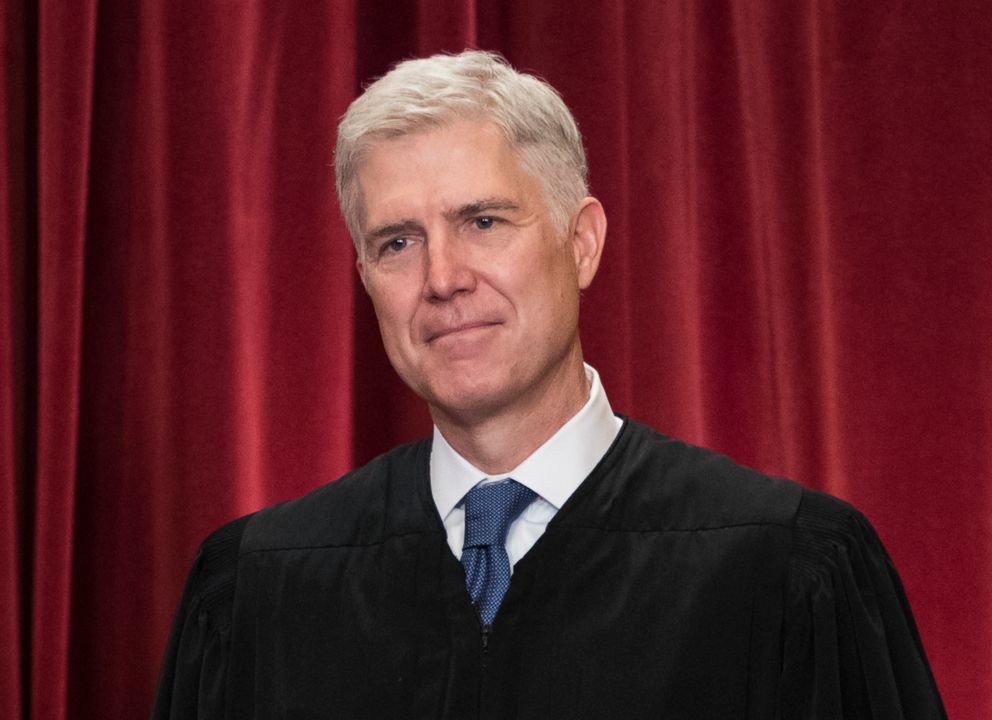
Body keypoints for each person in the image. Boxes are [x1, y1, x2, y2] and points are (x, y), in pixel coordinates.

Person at [152, 50, 945, 719]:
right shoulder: (257, 593)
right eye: (397, 241)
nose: (442, 278)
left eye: (484, 222)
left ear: (583, 244)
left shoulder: (784, 569)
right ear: (365, 277)